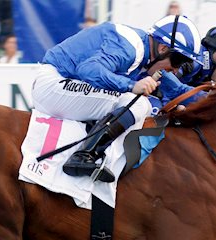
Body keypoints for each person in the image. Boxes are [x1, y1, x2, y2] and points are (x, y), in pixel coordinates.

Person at [33, 15, 201, 182]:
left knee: (143, 104)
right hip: (53, 84)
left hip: (65, 86)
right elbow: (89, 69)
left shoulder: (149, 57)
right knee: (138, 104)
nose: (176, 69)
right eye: (179, 60)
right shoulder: (130, 48)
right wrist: (130, 85)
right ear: (163, 48)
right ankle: (83, 156)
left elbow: (180, 91)